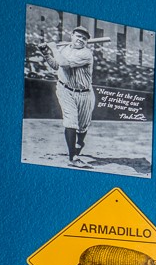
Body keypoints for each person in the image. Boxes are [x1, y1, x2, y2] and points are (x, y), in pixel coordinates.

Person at [45, 26, 113, 164]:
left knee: (83, 126)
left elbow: (63, 63)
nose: (81, 40)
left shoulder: (86, 54)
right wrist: (46, 54)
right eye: (78, 36)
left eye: (84, 38)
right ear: (72, 35)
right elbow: (56, 65)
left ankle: (80, 143)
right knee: (71, 121)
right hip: (65, 90)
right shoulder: (64, 49)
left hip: (84, 94)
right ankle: (73, 158)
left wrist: (53, 48)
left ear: (87, 41)